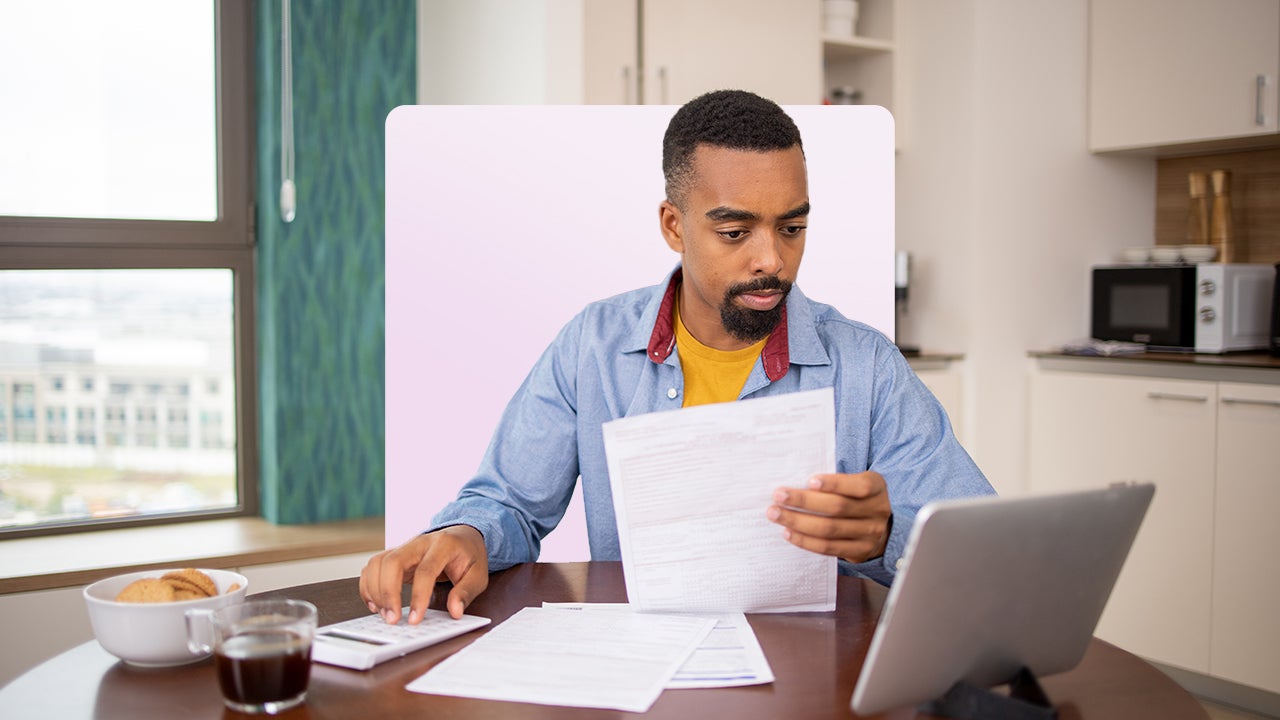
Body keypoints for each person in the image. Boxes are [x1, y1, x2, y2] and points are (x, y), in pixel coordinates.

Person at [360, 90, 994, 625]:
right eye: (735, 232)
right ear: (673, 225)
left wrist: (888, 537)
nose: (771, 259)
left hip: (806, 683)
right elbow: (509, 506)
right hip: (640, 671)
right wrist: (462, 537)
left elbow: (980, 548)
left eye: (792, 228)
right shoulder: (595, 346)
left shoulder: (868, 367)